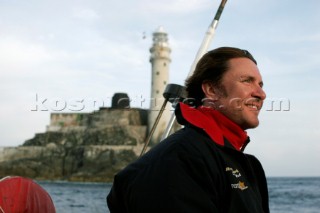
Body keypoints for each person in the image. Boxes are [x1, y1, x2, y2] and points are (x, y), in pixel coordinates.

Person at [107, 47, 270, 213]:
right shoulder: (180, 158)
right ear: (211, 90)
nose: (261, 93)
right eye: (247, 81)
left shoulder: (248, 165)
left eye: (260, 84)